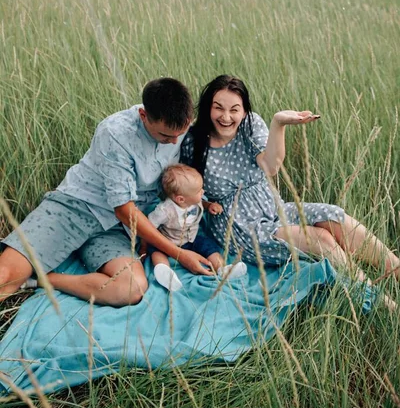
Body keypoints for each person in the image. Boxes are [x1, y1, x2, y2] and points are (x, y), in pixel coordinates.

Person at [0, 78, 213, 307]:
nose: (172, 142)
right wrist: (180, 254)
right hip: (75, 208)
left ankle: (43, 279)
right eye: (164, 136)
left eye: (178, 136)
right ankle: (27, 269)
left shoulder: (180, 128)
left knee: (131, 289)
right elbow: (123, 209)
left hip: (116, 229)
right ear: (143, 116)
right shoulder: (115, 132)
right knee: (5, 278)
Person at [180, 75, 400, 290]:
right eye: (218, 108)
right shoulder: (193, 140)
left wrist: (278, 123)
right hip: (239, 225)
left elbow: (270, 166)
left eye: (234, 110)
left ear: (244, 111)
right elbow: (182, 185)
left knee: (333, 216)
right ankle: (374, 297)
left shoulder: (251, 125)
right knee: (320, 239)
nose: (226, 117)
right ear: (208, 107)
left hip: (274, 208)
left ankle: (396, 270)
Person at [144, 164, 247, 291]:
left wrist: (209, 205)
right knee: (156, 251)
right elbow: (148, 226)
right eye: (199, 191)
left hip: (191, 240)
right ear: (181, 199)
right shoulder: (165, 210)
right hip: (169, 242)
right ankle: (164, 272)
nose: (202, 191)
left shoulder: (194, 200)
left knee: (208, 246)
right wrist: (143, 247)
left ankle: (222, 268)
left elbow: (200, 202)